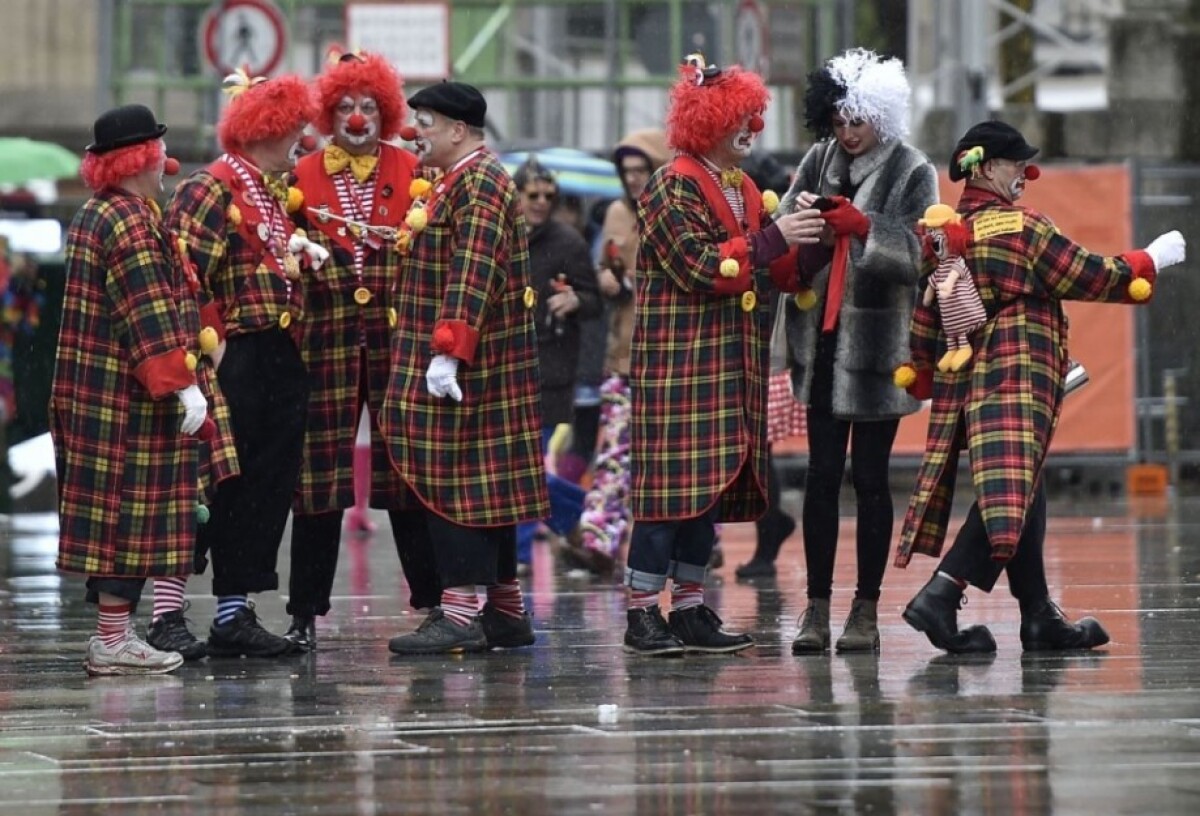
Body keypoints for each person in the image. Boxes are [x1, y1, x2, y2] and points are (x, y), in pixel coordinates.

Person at [896, 120, 1187, 653]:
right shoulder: (1021, 226)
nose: (1023, 174)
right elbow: (1090, 274)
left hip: (968, 380)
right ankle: (940, 594)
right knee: (1008, 489)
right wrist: (1150, 259)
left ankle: (1038, 617)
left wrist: (921, 368)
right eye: (1014, 164)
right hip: (1018, 374)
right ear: (983, 166)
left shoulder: (943, 234)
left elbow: (926, 312)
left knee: (1021, 481)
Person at [622, 54, 825, 656]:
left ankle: (688, 609)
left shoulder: (740, 187)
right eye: (741, 117)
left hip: (728, 367)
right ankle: (641, 615)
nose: (753, 129)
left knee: (703, 494)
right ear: (707, 120)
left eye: (755, 118)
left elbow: (775, 269)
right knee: (668, 495)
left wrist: (816, 236)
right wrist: (774, 238)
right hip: (679, 368)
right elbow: (699, 265)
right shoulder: (670, 183)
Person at [777, 48, 938, 654]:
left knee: (869, 479)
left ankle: (864, 609)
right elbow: (793, 228)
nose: (846, 133)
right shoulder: (818, 160)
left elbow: (928, 251)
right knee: (820, 477)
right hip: (821, 342)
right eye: (838, 121)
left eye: (857, 121)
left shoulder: (913, 169)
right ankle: (815, 607)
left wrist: (866, 228)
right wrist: (803, 233)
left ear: (882, 116)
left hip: (878, 347)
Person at [381, 81, 548, 655]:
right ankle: (505, 609)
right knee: (488, 487)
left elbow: (473, 270)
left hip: (468, 368)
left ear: (458, 130)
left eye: (424, 122)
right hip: (476, 364)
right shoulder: (462, 180)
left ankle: (457, 613)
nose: (414, 133)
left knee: (453, 484)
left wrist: (448, 351)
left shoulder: (478, 182)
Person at [285, 50, 442, 651]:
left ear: (387, 110)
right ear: (330, 112)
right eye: (346, 106)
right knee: (318, 478)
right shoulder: (301, 175)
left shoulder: (411, 167)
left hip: (396, 337)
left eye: (369, 106)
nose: (357, 116)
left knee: (407, 473)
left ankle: (432, 603)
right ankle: (303, 612)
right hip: (323, 340)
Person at [165, 71, 318, 658]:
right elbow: (183, 273)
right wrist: (216, 346)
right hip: (235, 353)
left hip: (277, 352)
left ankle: (235, 610)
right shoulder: (211, 187)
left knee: (266, 487)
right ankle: (169, 612)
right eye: (295, 130)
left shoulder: (270, 192)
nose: (303, 141)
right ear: (267, 129)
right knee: (218, 486)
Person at [53, 104, 207, 675]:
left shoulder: (100, 212)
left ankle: (114, 637)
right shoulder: (132, 222)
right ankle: (112, 642)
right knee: (128, 519)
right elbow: (147, 313)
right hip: (127, 403)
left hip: (98, 395)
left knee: (113, 519)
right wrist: (183, 386)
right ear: (146, 157)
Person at [571, 128, 669, 577]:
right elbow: (604, 267)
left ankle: (697, 546)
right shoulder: (615, 212)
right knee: (612, 454)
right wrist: (606, 279)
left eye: (640, 170)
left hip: (671, 357)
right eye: (626, 171)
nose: (632, 179)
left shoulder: (674, 210)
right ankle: (598, 541)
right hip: (623, 354)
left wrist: (632, 281)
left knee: (675, 458)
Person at [512, 157, 601, 569]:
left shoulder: (568, 242)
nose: (542, 202)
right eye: (533, 195)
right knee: (511, 463)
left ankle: (520, 553)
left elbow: (594, 299)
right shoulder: (499, 235)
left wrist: (575, 299)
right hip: (504, 367)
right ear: (515, 195)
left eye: (549, 195)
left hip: (551, 369)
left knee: (524, 465)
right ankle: (576, 507)